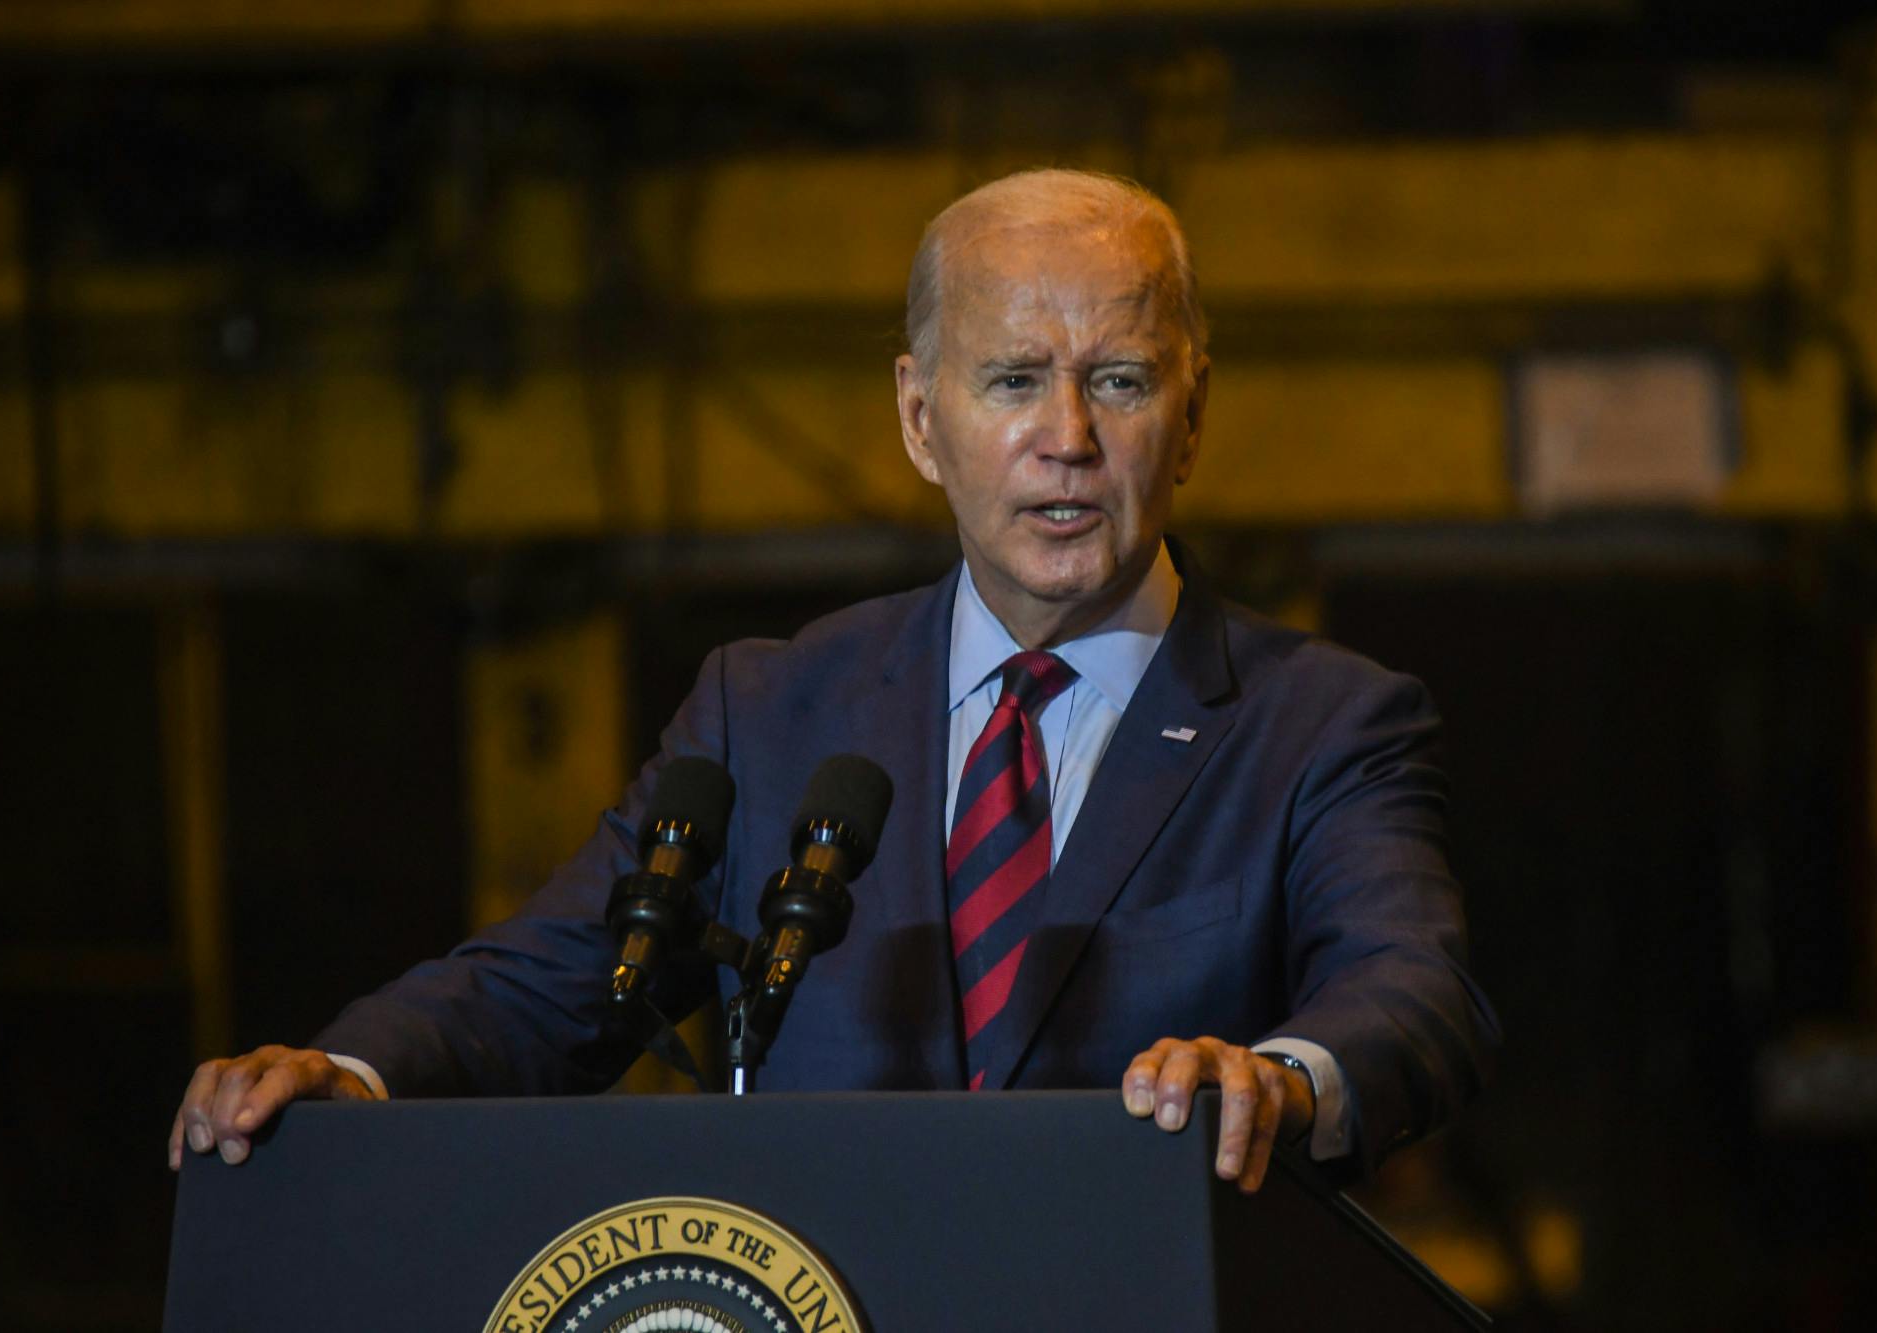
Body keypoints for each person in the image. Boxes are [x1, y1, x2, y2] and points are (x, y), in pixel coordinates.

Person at [170, 168, 1497, 1195]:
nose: (1068, 439)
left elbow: (1415, 993)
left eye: (1123, 380)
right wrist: (344, 1074)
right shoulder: (770, 708)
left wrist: (1279, 1078)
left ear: (1193, 413)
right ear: (923, 419)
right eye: (1016, 380)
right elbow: (552, 977)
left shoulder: (1325, 722)